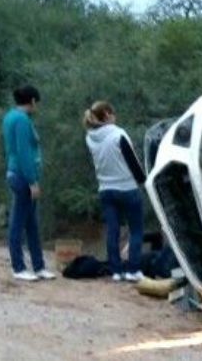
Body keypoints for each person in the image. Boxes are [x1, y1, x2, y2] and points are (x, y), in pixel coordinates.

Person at [84, 101, 147, 282]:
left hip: (105, 189)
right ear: (108, 115)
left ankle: (116, 270)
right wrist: (143, 180)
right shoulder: (118, 134)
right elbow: (132, 161)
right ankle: (133, 269)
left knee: (113, 230)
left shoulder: (90, 138)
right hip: (127, 188)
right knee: (136, 229)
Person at [2, 85, 57, 281]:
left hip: (16, 172)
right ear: (32, 101)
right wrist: (32, 181)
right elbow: (24, 152)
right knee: (18, 223)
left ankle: (39, 266)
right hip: (22, 176)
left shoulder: (10, 116)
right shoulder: (22, 120)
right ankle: (18, 267)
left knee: (32, 224)